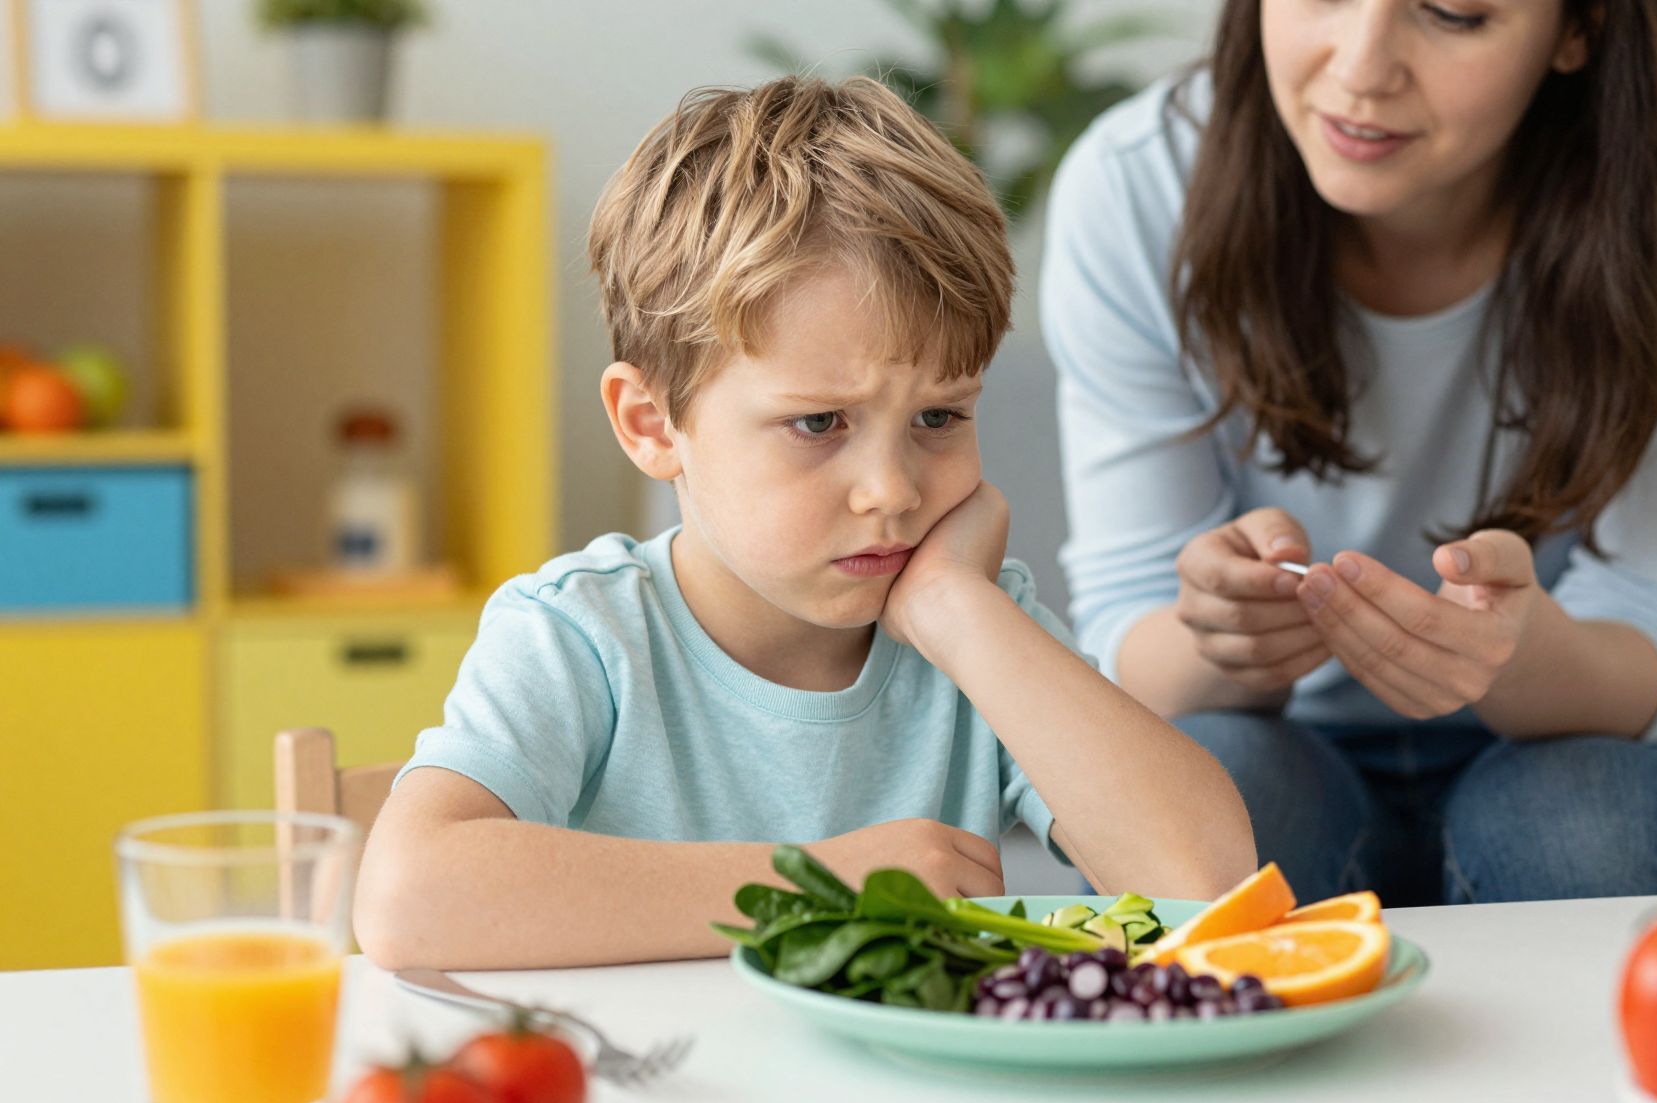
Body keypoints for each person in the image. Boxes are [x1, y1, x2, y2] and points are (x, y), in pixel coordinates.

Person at [353, 76, 1254, 971]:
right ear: (652, 424)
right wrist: (821, 885)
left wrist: (958, 612)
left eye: (939, 418)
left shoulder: (975, 631)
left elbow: (1208, 883)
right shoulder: (581, 635)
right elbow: (407, 898)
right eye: (820, 423)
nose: (890, 491)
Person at [1044, 0, 1657, 907]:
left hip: (1597, 737)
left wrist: (1512, 655)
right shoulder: (1139, 182)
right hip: (1279, 735)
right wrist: (1220, 633)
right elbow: (1130, 632)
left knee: (1581, 824)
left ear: (1580, 29)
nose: (1364, 68)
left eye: (1452, 12)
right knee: (1210, 810)